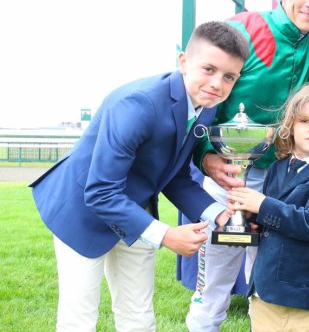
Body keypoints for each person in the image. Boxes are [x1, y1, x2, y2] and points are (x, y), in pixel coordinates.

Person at [30, 21, 250, 332]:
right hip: (81, 210)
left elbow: (175, 175)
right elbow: (100, 192)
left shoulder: (207, 106)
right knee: (78, 319)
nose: (217, 84)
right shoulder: (138, 104)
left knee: (138, 317)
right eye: (208, 69)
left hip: (136, 209)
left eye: (229, 77)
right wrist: (167, 235)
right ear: (184, 62)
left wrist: (220, 215)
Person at [183, 0, 309, 332]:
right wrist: (206, 157)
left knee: (266, 284)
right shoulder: (243, 30)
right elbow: (198, 99)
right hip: (228, 179)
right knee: (213, 284)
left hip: (280, 184)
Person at [227, 82, 309, 332]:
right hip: (265, 295)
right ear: (291, 127)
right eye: (305, 121)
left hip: (307, 301)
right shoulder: (277, 168)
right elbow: (271, 222)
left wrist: (262, 205)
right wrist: (248, 219)